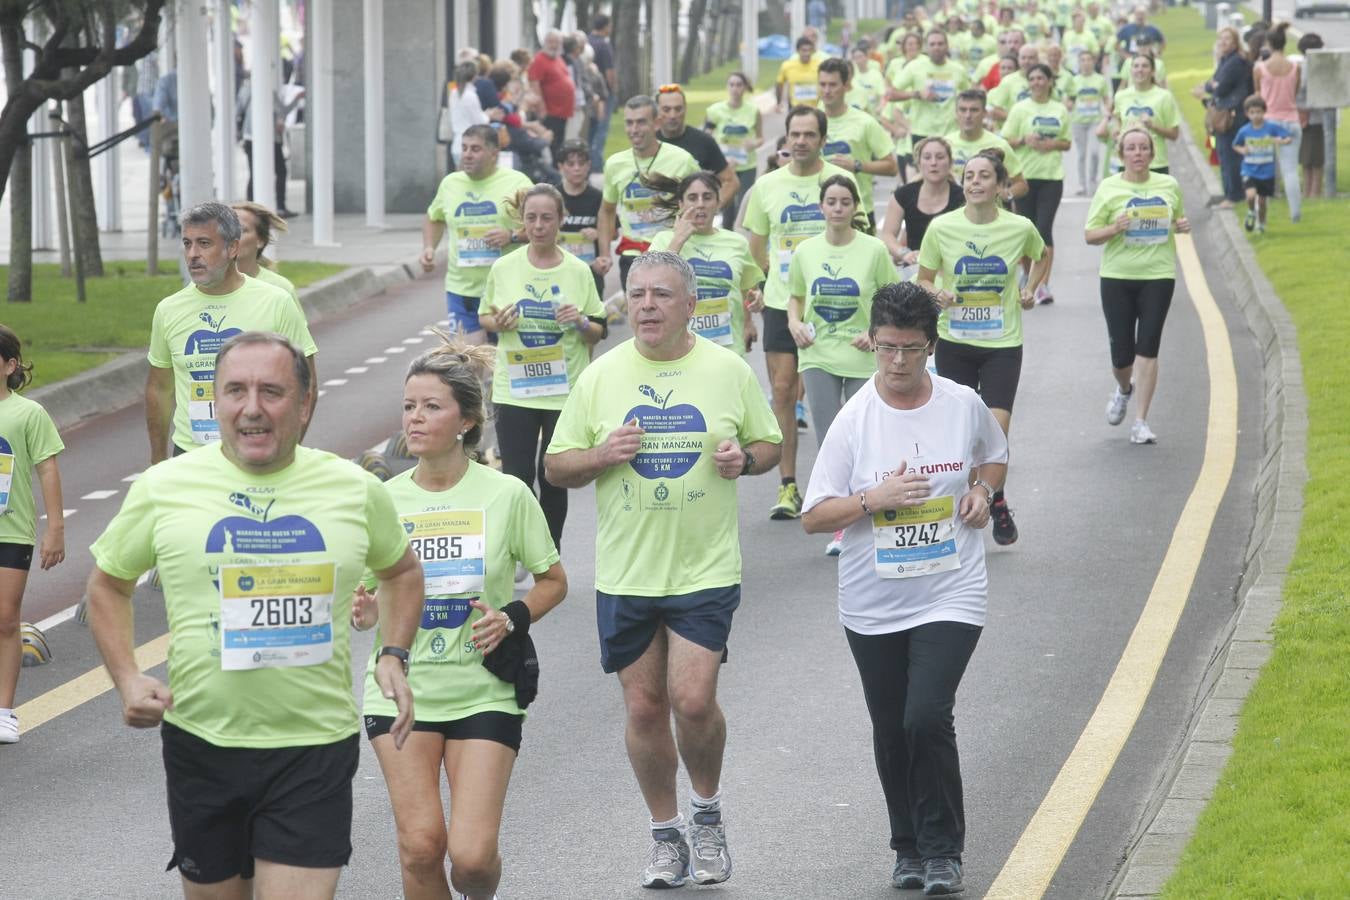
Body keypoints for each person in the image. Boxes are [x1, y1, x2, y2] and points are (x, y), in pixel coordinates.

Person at [87, 332, 424, 900]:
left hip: (313, 747)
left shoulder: (355, 489)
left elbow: (403, 573)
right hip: (202, 744)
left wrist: (393, 653)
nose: (252, 408)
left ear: (305, 403)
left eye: (272, 391)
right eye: (235, 391)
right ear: (216, 403)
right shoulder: (165, 487)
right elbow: (107, 585)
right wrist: (125, 676)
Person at [544, 251, 782, 890]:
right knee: (645, 707)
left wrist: (744, 460)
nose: (647, 304)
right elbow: (557, 466)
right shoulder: (601, 375)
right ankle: (666, 835)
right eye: (638, 293)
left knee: (693, 699)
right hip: (626, 572)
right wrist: (601, 453)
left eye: (662, 294)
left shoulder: (727, 370)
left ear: (691, 306)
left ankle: (707, 814)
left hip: (704, 567)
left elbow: (769, 444)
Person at [800, 281, 1007, 898]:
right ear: (873, 342)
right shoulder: (854, 420)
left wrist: (982, 495)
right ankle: (908, 848)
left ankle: (945, 851)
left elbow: (992, 457)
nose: (896, 362)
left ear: (930, 346)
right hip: (872, 601)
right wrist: (873, 499)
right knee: (891, 727)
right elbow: (814, 516)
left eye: (910, 349)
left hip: (952, 588)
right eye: (886, 347)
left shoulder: (962, 402)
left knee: (926, 716)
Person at [355, 338, 567, 900]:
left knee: (471, 861)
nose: (414, 418)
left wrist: (511, 618)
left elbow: (554, 581)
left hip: (482, 691)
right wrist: (368, 612)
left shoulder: (507, 495)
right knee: (420, 846)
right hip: (401, 691)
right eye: (408, 406)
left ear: (466, 420)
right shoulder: (384, 499)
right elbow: (368, 600)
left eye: (431, 406)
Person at [917, 150, 1047, 545]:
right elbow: (922, 278)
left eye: (985, 176)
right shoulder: (941, 228)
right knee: (964, 433)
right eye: (969, 175)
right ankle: (994, 497)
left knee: (994, 429)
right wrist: (937, 291)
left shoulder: (1019, 227)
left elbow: (1041, 257)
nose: (975, 182)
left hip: (1002, 343)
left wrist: (1029, 289)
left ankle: (986, 495)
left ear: (1000, 186)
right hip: (955, 343)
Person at [742, 106, 858, 520]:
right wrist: (768, 284)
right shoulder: (768, 186)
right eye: (796, 134)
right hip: (780, 303)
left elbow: (861, 235)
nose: (802, 141)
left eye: (810, 134)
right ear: (786, 138)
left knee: (841, 400)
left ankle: (843, 482)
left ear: (823, 139)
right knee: (784, 392)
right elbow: (756, 246)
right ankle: (789, 485)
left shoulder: (839, 183)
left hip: (835, 304)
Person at [481, 184, 607, 550]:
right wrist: (499, 323)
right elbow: (486, 318)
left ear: (561, 220)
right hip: (514, 389)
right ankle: (521, 548)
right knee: (517, 478)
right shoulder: (504, 267)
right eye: (531, 218)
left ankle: (549, 553)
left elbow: (597, 332)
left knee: (552, 475)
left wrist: (581, 321)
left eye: (546, 218)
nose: (538, 226)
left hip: (563, 390)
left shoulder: (578, 271)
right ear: (522, 221)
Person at [146, 202, 317, 463]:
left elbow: (307, 383)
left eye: (204, 243)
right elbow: (159, 389)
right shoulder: (168, 310)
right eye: (187, 243)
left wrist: (287, 450)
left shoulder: (276, 301)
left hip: (258, 455)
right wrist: (158, 461)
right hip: (192, 458)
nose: (192, 254)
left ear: (232, 248)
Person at [787, 176, 898, 555]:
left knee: (862, 438)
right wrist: (794, 324)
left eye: (844, 201)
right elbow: (796, 298)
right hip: (818, 354)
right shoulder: (805, 251)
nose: (837, 208)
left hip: (861, 356)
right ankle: (839, 524)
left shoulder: (873, 250)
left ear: (855, 208)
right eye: (830, 201)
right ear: (821, 207)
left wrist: (875, 332)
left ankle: (865, 513)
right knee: (828, 436)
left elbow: (891, 298)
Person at [1084, 126, 1191, 445]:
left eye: (1144, 148)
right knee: (1122, 356)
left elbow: (1177, 220)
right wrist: (1114, 227)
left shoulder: (1168, 185)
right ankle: (1124, 388)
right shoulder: (1109, 188)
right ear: (1121, 155)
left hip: (1158, 275)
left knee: (1149, 346)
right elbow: (1090, 235)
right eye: (1131, 149)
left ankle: (1141, 421)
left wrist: (1181, 226)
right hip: (1118, 276)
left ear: (1152, 153)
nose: (1138, 154)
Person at [0, 327, 65, 745]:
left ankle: (4, 710)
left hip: (12, 531)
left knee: (5, 619)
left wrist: (55, 527)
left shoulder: (28, 414)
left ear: (9, 366)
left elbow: (47, 468)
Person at [420, 124, 534, 343]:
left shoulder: (518, 183)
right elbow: (434, 217)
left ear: (494, 153)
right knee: (469, 359)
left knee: (502, 360)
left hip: (505, 287)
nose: (467, 155)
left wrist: (511, 236)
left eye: (475, 149)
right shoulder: (450, 184)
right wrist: (428, 248)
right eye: (464, 148)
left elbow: (544, 229)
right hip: (461, 289)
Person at [647, 171, 765, 355]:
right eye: (692, 198)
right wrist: (678, 239)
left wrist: (753, 308)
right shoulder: (664, 240)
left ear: (718, 203)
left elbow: (748, 289)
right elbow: (651, 281)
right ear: (681, 204)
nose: (700, 204)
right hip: (679, 349)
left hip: (727, 348)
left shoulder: (737, 242)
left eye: (707, 197)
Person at [597, 95, 701, 294]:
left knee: (674, 315)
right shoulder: (615, 164)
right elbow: (606, 210)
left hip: (673, 249)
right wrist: (605, 254)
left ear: (657, 123)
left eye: (641, 122)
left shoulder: (681, 160)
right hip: (632, 254)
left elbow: (701, 199)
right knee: (641, 317)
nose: (634, 129)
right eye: (629, 123)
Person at [1003, 63, 1070, 305]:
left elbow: (1067, 143)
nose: (1037, 82)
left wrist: (1052, 144)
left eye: (1042, 78)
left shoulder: (1059, 109)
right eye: (1032, 78)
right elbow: (1006, 139)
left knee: (1044, 230)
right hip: (1024, 178)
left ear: (1050, 81)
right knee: (1025, 231)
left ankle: (1043, 284)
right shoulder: (1020, 109)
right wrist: (1024, 139)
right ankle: (1028, 275)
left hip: (1051, 177)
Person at [818, 57, 899, 228]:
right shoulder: (810, 121)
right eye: (822, 84)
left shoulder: (865, 122)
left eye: (833, 85)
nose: (827, 90)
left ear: (846, 86)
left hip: (859, 211)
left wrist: (857, 165)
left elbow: (892, 167)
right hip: (818, 211)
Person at [881, 136, 965, 271]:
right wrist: (904, 253)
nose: (933, 163)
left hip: (952, 268)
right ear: (919, 164)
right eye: (927, 157)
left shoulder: (963, 197)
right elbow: (887, 235)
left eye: (940, 157)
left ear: (950, 163)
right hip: (915, 267)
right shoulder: (904, 194)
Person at [655, 85, 739, 212]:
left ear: (685, 109)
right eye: (666, 110)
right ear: (657, 112)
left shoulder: (703, 141)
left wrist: (711, 210)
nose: (673, 115)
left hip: (692, 224)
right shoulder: (650, 143)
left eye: (678, 109)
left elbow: (731, 181)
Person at [1195, 27, 1253, 209]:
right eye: (1220, 38)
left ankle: (1234, 196)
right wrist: (1212, 84)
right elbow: (1214, 82)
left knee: (1229, 156)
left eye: (1227, 39)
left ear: (1236, 42)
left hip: (1232, 115)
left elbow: (1220, 87)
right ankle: (1229, 192)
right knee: (1223, 154)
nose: (1223, 42)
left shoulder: (1236, 62)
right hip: (1224, 112)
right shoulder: (1225, 60)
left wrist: (1212, 86)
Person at [1252, 23, 1302, 223]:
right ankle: (1295, 213)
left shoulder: (1260, 68)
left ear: (1269, 44)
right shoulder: (1295, 67)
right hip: (1292, 120)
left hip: (1269, 122)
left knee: (1262, 170)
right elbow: (1294, 93)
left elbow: (1257, 98)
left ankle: (1259, 215)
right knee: (1290, 170)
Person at [236, 74, 304, 217]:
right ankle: (279, 207)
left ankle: (249, 209)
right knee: (281, 171)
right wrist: (297, 99)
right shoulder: (267, 92)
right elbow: (283, 111)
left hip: (249, 138)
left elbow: (238, 113)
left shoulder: (244, 91)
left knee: (254, 173)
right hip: (269, 139)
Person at [888, 29, 972, 144]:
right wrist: (917, 94)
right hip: (922, 132)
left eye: (940, 44)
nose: (936, 47)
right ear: (926, 47)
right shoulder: (914, 67)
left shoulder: (958, 70)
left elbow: (968, 97)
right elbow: (890, 94)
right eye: (932, 44)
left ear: (947, 46)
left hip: (950, 131)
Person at [705, 72, 764, 229]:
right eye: (731, 84)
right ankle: (727, 232)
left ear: (745, 88)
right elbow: (706, 137)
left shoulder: (754, 111)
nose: (735, 88)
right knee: (726, 203)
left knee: (744, 203)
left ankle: (742, 235)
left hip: (747, 164)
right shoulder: (715, 111)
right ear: (727, 87)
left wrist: (753, 143)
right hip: (724, 165)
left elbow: (760, 138)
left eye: (739, 85)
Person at [944, 89, 1027, 194]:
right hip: (954, 207)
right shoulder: (945, 144)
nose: (968, 115)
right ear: (956, 113)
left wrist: (1005, 194)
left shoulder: (999, 145)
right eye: (963, 110)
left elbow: (1021, 184)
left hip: (988, 209)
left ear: (984, 113)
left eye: (974, 110)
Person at [1232, 96, 1293, 235]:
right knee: (1250, 195)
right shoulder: (1244, 131)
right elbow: (1235, 145)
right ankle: (1251, 212)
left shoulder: (1271, 127)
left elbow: (1287, 137)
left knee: (1262, 201)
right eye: (1252, 112)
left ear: (1264, 112)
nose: (1256, 115)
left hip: (1267, 172)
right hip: (1249, 170)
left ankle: (1261, 224)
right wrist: (1243, 150)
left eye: (1258, 112)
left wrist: (1281, 141)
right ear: (1247, 114)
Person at [556, 139, 608, 300]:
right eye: (570, 164)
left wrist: (598, 233)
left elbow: (613, 232)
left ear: (589, 165)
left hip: (591, 272)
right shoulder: (553, 197)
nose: (576, 169)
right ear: (560, 167)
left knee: (594, 320)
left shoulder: (598, 197)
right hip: (559, 271)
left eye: (581, 163)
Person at [1110, 54, 1179, 175]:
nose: (1140, 70)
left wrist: (1152, 126)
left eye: (1144, 66)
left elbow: (1174, 134)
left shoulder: (1164, 97)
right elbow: (1117, 119)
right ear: (1130, 70)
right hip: (1126, 164)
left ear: (1152, 71)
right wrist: (1116, 129)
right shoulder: (1121, 96)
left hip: (1156, 164)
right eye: (1136, 66)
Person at [230, 201, 300, 311]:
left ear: (260, 240)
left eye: (242, 230)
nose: (232, 236)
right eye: (227, 229)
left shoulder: (280, 288)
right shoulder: (205, 286)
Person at [528, 30, 576, 161]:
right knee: (553, 144)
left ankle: (558, 169)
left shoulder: (558, 58)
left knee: (559, 143)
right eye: (551, 42)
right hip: (550, 111)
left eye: (557, 42)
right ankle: (553, 173)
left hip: (562, 111)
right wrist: (541, 108)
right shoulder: (539, 60)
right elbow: (535, 84)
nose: (554, 45)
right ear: (545, 42)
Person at [1068, 51, 1111, 195]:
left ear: (1093, 62)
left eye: (1088, 60)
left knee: (1094, 153)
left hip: (1095, 121)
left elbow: (1106, 99)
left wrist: (1108, 112)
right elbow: (1069, 100)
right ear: (1079, 63)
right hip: (1078, 121)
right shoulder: (1074, 81)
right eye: (1083, 60)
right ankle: (1081, 184)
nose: (1086, 63)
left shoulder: (1100, 80)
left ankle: (1092, 180)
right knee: (1081, 154)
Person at [1295, 33, 1329, 200]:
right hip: (1314, 117)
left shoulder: (1302, 65)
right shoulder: (1313, 66)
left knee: (1307, 158)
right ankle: (1314, 192)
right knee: (1316, 160)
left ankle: (1308, 191)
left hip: (1303, 117)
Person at [588, 15, 619, 169]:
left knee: (591, 129)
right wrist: (612, 89)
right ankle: (596, 162)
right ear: (605, 27)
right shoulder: (604, 45)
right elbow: (609, 71)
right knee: (602, 128)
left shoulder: (587, 41)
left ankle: (589, 160)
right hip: (603, 93)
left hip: (589, 94)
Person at [448, 60, 490, 169]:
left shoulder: (454, 93)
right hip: (471, 146)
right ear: (474, 75)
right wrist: (488, 115)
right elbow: (480, 122)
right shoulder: (470, 95)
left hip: (458, 145)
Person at [775, 36, 823, 112]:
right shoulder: (787, 66)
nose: (807, 53)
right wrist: (778, 102)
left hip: (815, 108)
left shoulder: (819, 65)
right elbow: (779, 84)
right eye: (804, 50)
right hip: (795, 108)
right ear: (797, 50)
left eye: (809, 50)